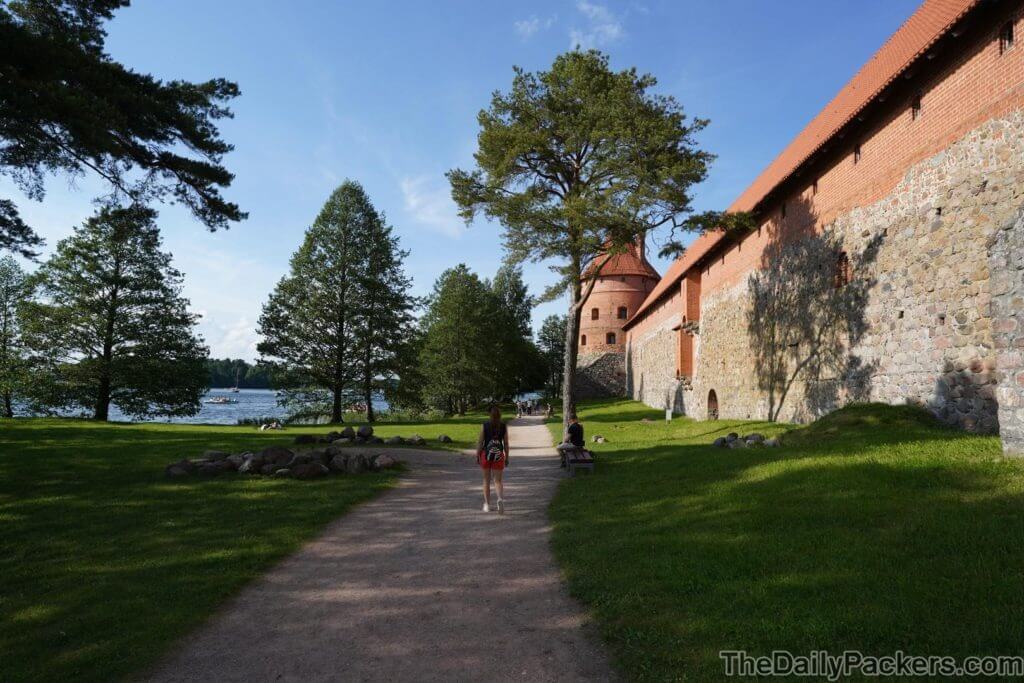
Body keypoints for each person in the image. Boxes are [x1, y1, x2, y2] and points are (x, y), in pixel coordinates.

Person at [477, 404, 510, 513]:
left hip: (486, 455)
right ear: (500, 415)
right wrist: (507, 457)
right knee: (498, 480)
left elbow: (480, 442)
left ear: (490, 415)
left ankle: (487, 505)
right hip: (498, 455)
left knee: (486, 480)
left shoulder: (485, 425)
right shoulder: (503, 426)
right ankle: (500, 498)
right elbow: (506, 443)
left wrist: (477, 455)